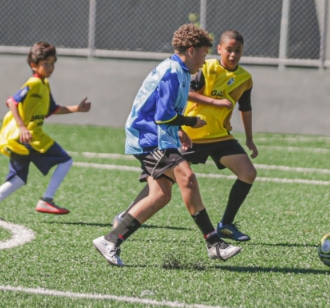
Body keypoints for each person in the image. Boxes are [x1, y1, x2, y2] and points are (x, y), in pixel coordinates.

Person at [93, 24, 242, 267]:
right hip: (148, 136)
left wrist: (179, 129)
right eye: (204, 55)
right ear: (192, 50)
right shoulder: (173, 72)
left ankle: (111, 240)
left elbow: (164, 111)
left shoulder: (180, 70)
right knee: (187, 177)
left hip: (156, 135)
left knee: (161, 195)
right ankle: (214, 243)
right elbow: (162, 117)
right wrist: (191, 121)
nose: (205, 62)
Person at [115, 30, 258, 241]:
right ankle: (126, 217)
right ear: (219, 49)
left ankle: (224, 225)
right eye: (229, 49)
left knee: (248, 172)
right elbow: (182, 96)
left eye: (238, 51)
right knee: (164, 181)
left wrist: (249, 138)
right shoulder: (201, 67)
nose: (233, 54)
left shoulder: (244, 78)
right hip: (190, 134)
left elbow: (245, 108)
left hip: (219, 136)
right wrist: (209, 107)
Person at [0, 42, 90, 219]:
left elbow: (53, 109)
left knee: (18, 178)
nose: (50, 67)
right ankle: (46, 200)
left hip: (22, 139)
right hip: (30, 138)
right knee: (65, 161)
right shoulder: (34, 83)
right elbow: (12, 101)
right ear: (33, 65)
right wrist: (22, 127)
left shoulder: (44, 85)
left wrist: (76, 108)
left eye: (52, 63)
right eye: (46, 63)